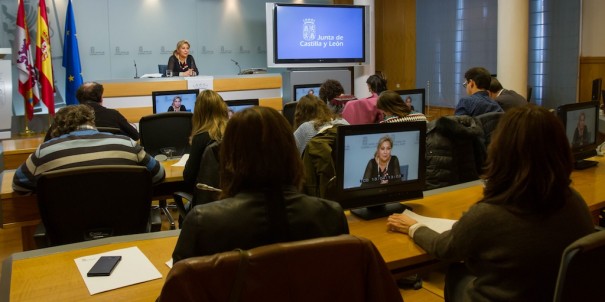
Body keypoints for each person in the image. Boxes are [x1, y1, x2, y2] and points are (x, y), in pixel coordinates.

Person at [387, 105, 594, 301]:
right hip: (552, 295)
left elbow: (445, 248)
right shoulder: (574, 202)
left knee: (456, 274)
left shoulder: (490, 214)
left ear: (501, 151)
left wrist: (414, 227)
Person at [172, 106, 349, 263]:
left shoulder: (202, 223)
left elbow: (178, 290)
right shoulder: (331, 216)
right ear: (292, 153)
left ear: (229, 159)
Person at [13, 105, 165, 193]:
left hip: (66, 233)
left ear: (57, 128)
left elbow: (18, 185)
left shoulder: (45, 152)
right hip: (127, 226)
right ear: (92, 122)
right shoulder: (127, 144)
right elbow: (159, 174)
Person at [44, 82, 140, 141]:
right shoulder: (113, 115)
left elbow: (47, 141)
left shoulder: (64, 117)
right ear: (101, 98)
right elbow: (135, 136)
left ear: (78, 99)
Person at [183, 90, 229, 191]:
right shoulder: (234, 133)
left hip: (207, 198)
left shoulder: (200, 138)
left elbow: (188, 177)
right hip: (233, 196)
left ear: (198, 112)